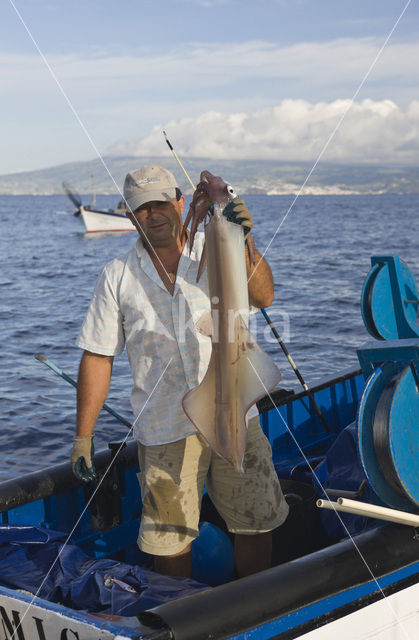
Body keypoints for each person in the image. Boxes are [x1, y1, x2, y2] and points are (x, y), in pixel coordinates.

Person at [71, 165, 289, 579]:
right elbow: (98, 356)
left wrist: (245, 239)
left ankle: (254, 605)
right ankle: (182, 618)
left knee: (255, 521)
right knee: (169, 543)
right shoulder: (116, 276)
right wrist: (83, 435)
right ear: (130, 215)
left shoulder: (219, 243)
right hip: (164, 426)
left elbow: (264, 295)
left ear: (179, 202)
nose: (152, 214)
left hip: (236, 410)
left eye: (160, 204)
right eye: (141, 208)